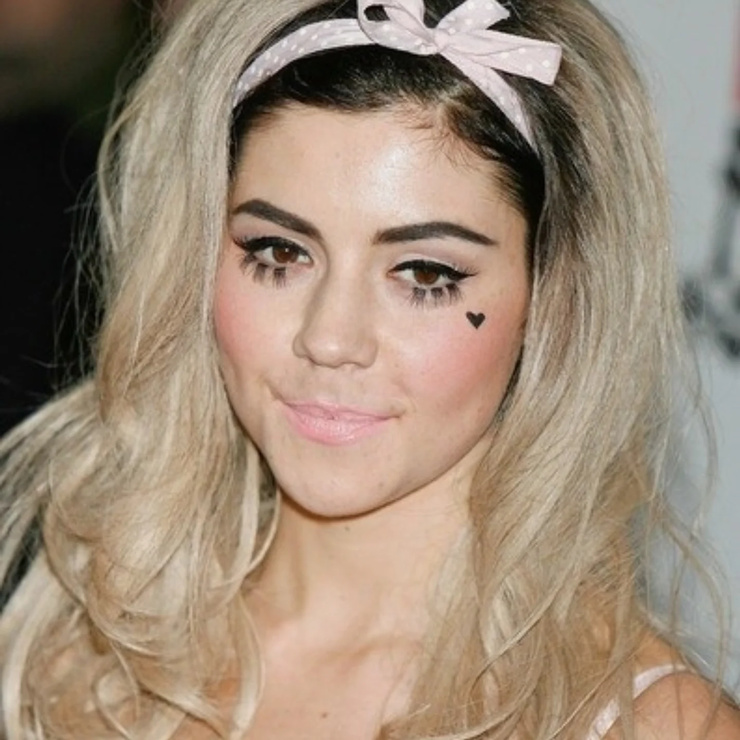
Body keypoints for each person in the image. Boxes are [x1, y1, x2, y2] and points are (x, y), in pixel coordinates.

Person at [0, 0, 738, 737]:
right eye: (279, 253)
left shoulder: (655, 725)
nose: (330, 339)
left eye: (424, 274)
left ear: (554, 297)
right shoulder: (77, 653)